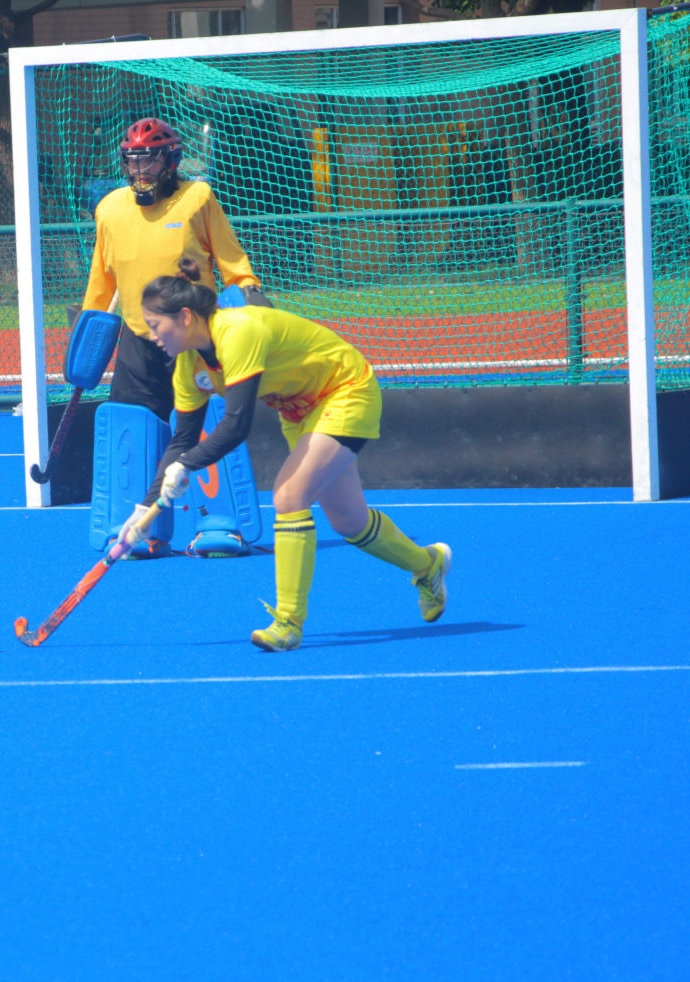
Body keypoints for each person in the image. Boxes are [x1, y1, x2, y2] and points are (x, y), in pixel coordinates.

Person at [119, 258, 451, 652]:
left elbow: (236, 426)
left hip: (344, 390)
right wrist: (145, 509)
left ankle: (288, 623)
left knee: (289, 497)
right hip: (298, 411)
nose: (151, 335)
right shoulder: (188, 366)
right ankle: (428, 565)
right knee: (350, 521)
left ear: (186, 317)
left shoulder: (237, 332)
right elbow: (182, 439)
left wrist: (188, 465)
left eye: (155, 325)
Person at [81, 116, 272, 556]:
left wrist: (249, 298)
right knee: (134, 427)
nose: (140, 169)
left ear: (171, 161)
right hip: (139, 340)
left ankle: (219, 522)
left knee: (206, 425)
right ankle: (138, 528)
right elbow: (100, 284)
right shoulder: (110, 210)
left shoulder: (197, 199)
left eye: (149, 159)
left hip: (195, 337)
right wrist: (88, 333)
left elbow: (232, 261)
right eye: (133, 160)